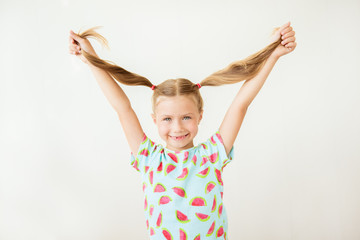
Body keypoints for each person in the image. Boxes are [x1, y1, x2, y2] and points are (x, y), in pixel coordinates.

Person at [68, 22, 296, 240]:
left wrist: (272, 55)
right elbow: (122, 107)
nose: (177, 128)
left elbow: (240, 105)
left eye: (186, 117)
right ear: (155, 120)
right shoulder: (148, 158)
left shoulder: (212, 155)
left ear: (200, 116)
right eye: (167, 119)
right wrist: (91, 59)